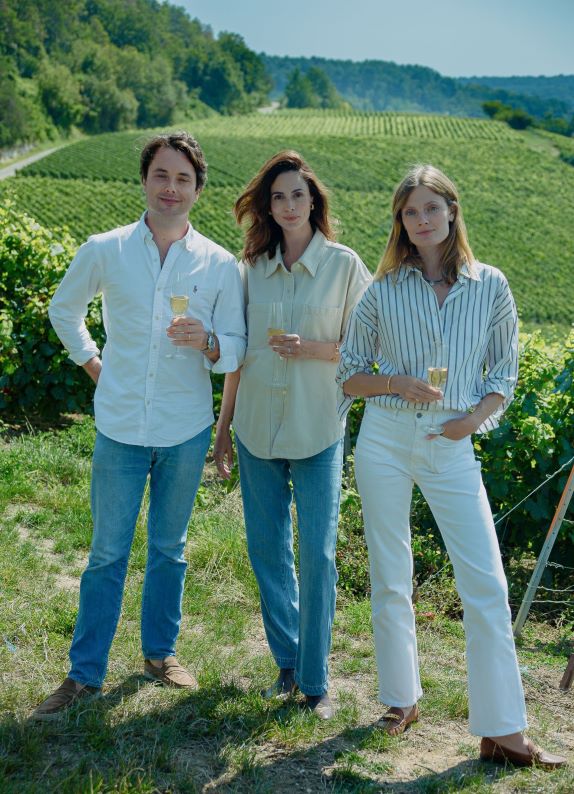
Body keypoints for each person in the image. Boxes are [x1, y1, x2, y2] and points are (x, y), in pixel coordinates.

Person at [337, 164, 566, 768]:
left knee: (486, 582)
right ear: (401, 222)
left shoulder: (491, 286)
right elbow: (349, 373)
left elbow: (504, 373)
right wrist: (397, 383)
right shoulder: (383, 290)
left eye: (431, 208)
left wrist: (472, 421)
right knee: (391, 573)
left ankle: (503, 731)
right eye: (411, 212)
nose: (422, 220)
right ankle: (401, 700)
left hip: (452, 441)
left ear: (452, 211)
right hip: (385, 437)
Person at [33, 132, 246, 719]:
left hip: (184, 428)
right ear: (145, 180)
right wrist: (93, 364)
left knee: (170, 548)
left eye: (183, 179)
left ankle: (160, 654)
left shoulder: (218, 264)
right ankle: (84, 675)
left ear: (197, 189)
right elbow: (64, 309)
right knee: (107, 552)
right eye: (161, 175)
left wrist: (208, 342)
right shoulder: (106, 249)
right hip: (121, 424)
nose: (170, 188)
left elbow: (236, 346)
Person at [210, 151, 371, 719]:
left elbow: (367, 350)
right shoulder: (251, 267)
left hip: (318, 427)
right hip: (255, 427)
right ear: (267, 206)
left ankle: (316, 680)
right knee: (266, 549)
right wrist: (223, 431)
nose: (288, 206)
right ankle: (287, 662)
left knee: (319, 553)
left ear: (313, 201)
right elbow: (237, 355)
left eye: (297, 195)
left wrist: (314, 350)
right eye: (277, 197)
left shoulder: (345, 266)